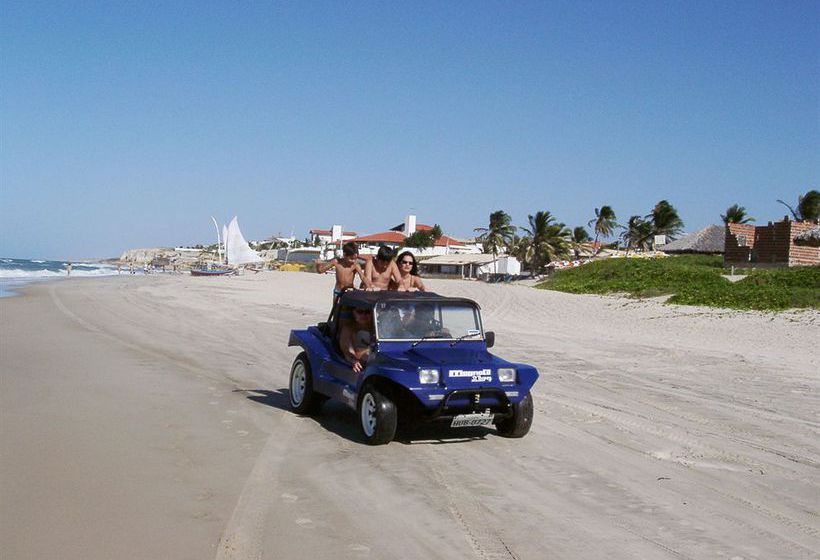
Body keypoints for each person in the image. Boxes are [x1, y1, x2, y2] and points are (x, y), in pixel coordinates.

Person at [338, 306, 375, 373]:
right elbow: (347, 351)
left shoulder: (376, 329)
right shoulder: (348, 329)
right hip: (358, 363)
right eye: (360, 312)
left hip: (375, 362)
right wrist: (353, 361)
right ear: (354, 313)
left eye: (367, 312)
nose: (363, 315)